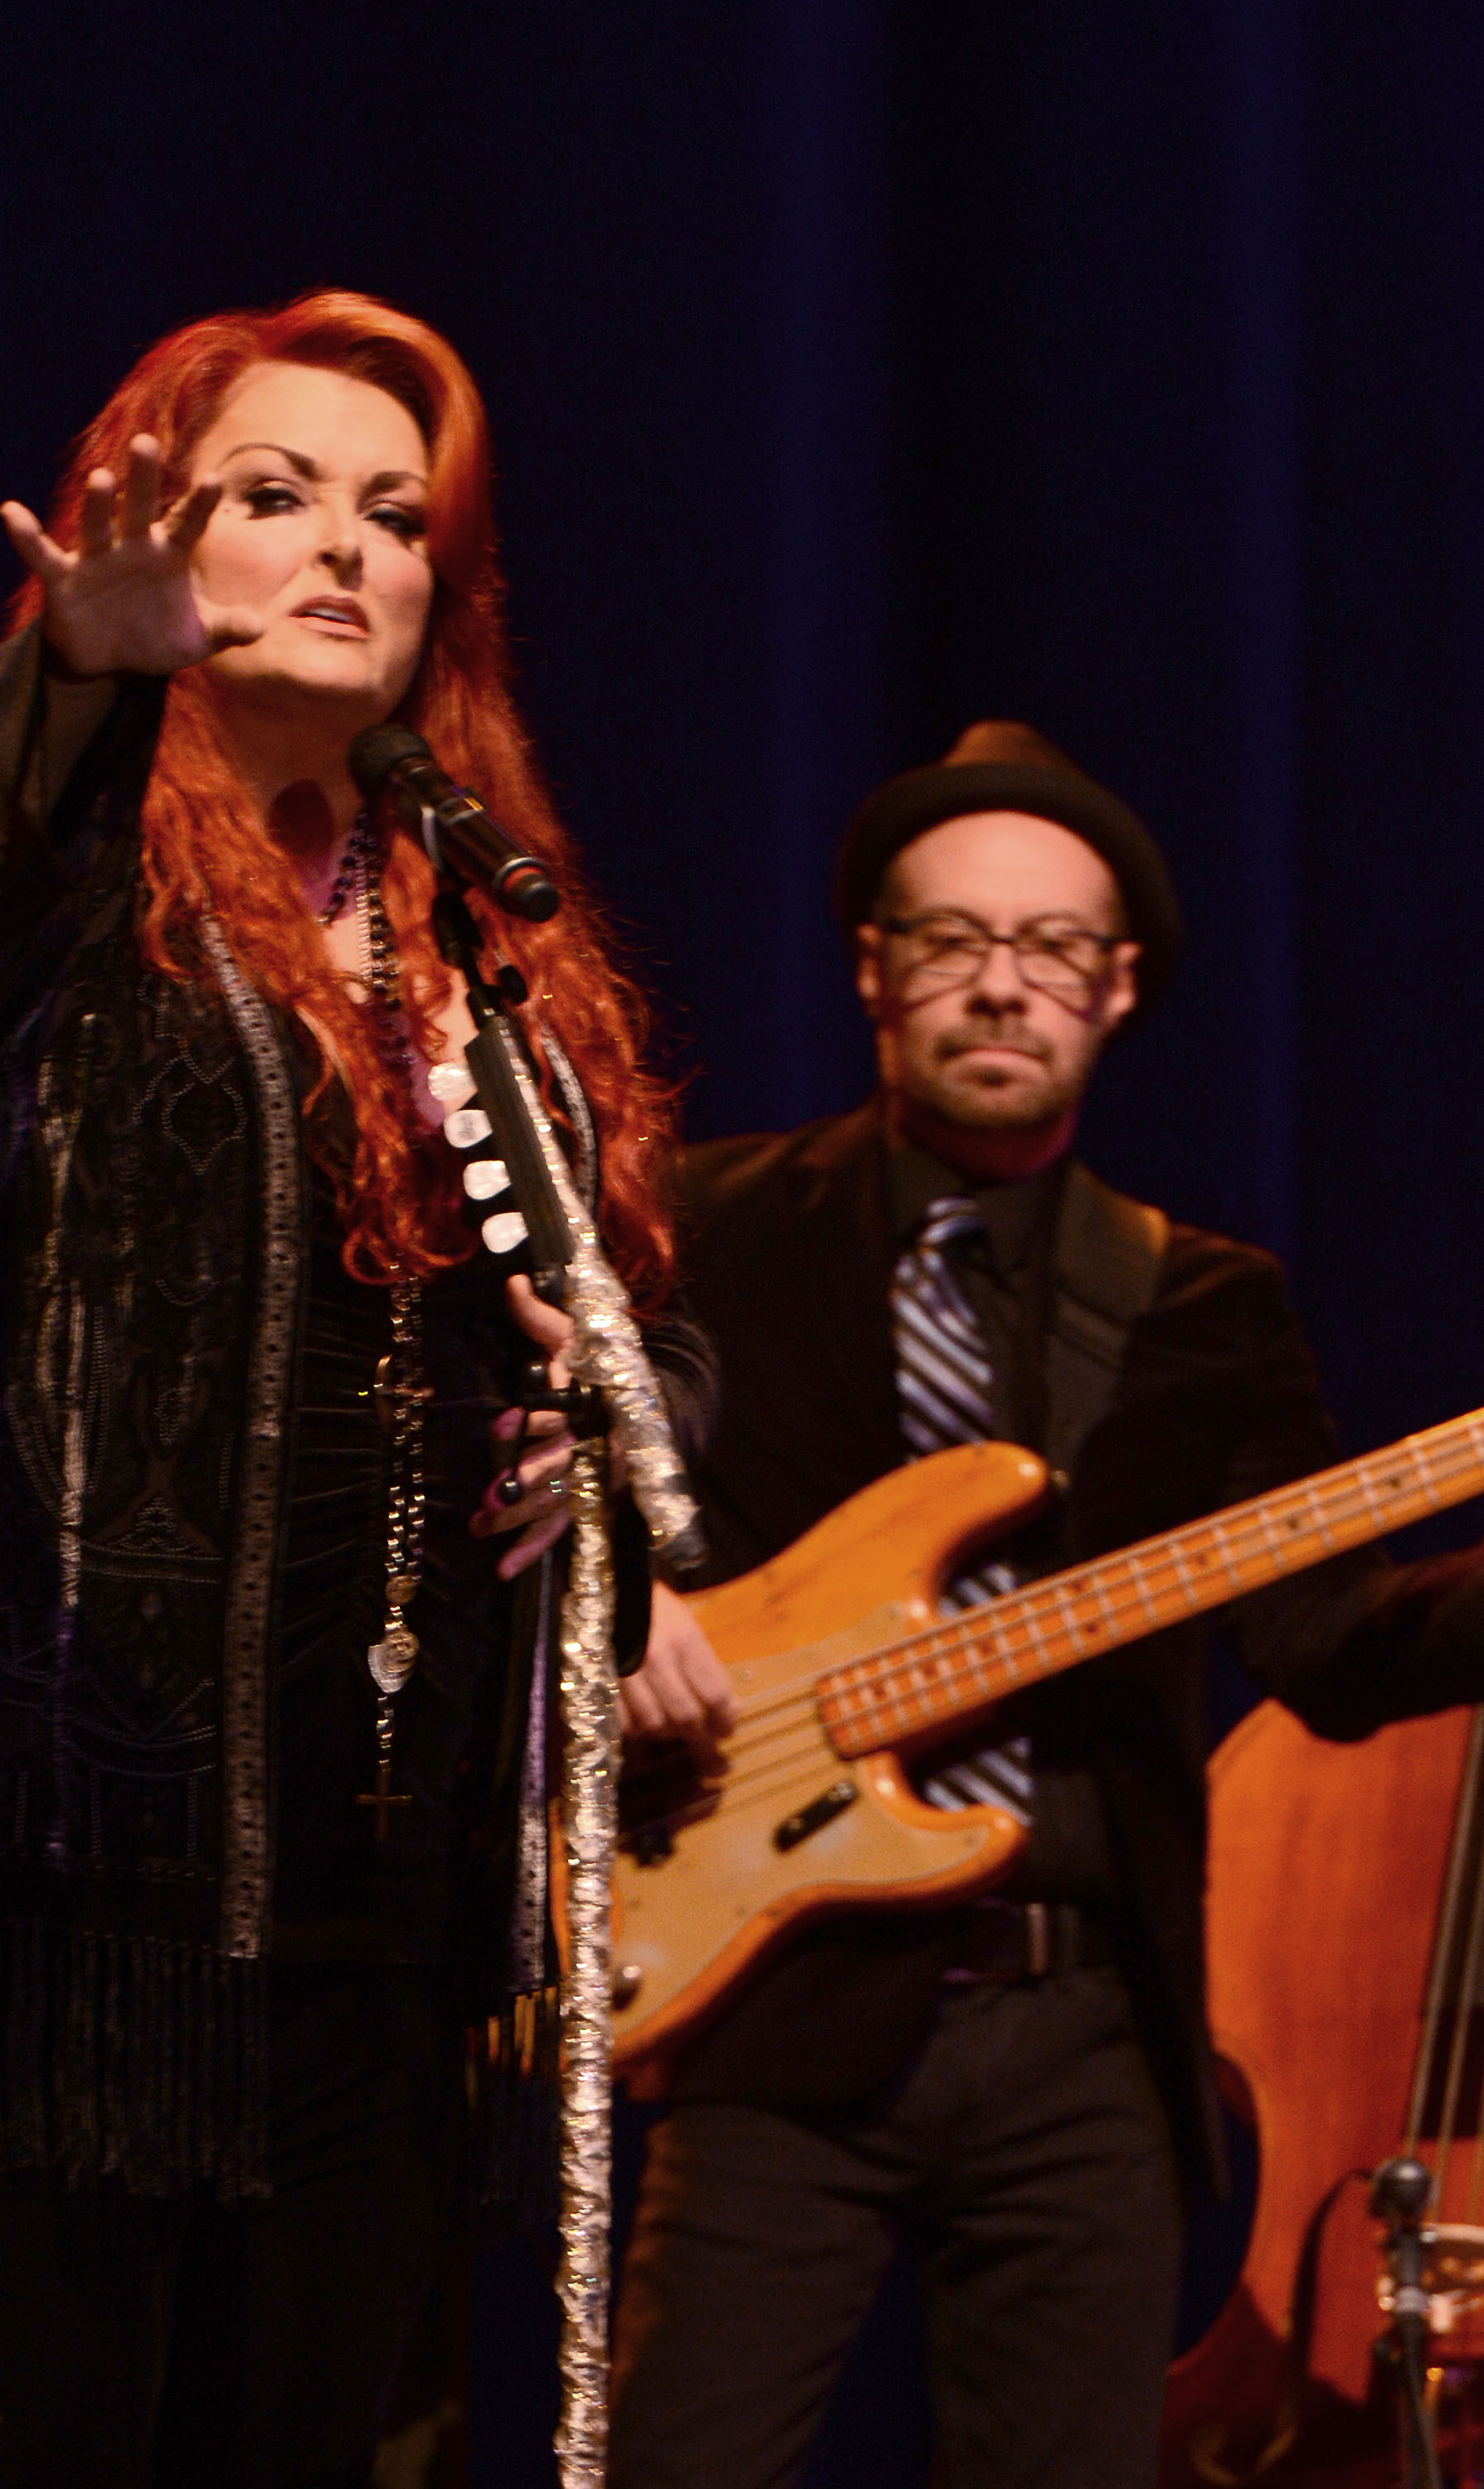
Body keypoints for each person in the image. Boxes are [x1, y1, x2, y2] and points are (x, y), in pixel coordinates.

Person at [0, 290, 713, 2489]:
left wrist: (605, 1443)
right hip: (48, 1902)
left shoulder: (478, 965)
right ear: (152, 528)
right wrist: (74, 676)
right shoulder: (52, 897)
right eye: (274, 497)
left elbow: (642, 1332)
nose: (345, 548)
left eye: (393, 516)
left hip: (368, 1930)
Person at [606, 721, 1484, 2489]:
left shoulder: (1203, 1306)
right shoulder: (702, 1233)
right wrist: (623, 1608)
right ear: (874, 967)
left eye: (1052, 951)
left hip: (1084, 2037)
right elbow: (538, 1500)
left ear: (1119, 988)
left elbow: (1331, 1654)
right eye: (954, 941)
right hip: (770, 2008)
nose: (1003, 989)